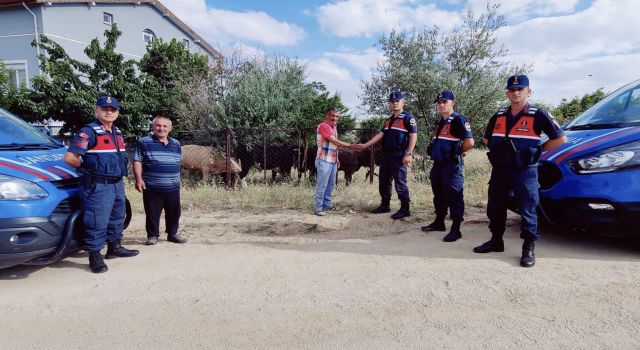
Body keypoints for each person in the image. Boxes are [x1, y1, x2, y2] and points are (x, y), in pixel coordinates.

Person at [473, 75, 566, 267]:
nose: (515, 93)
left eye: (520, 89)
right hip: (500, 170)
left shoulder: (538, 114)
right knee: (495, 207)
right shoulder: (498, 115)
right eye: (512, 90)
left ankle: (528, 247)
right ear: (507, 93)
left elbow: (560, 139)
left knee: (528, 209)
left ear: (528, 91)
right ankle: (496, 241)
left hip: (525, 171)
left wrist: (537, 150)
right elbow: (486, 139)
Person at [64, 96, 139, 273]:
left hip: (116, 184)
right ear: (96, 110)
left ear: (117, 113)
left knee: (117, 218)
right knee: (97, 221)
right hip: (98, 185)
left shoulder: (116, 132)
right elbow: (70, 158)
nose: (109, 112)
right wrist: (87, 168)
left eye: (113, 109)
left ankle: (114, 248)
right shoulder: (88, 132)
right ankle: (95, 256)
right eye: (105, 109)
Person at [421, 90, 474, 242]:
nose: (441, 105)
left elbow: (469, 142)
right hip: (438, 164)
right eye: (439, 102)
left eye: (445, 101)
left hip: (451, 165)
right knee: (439, 194)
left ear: (453, 102)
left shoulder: (458, 119)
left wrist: (459, 153)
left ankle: (456, 229)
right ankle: (439, 222)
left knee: (454, 196)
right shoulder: (441, 121)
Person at [358, 90, 418, 219]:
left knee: (400, 182)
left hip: (400, 154)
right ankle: (385, 205)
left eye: (397, 101)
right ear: (389, 104)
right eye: (392, 101)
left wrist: (409, 153)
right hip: (386, 155)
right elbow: (381, 134)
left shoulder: (408, 117)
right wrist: (365, 145)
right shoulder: (389, 120)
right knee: (384, 181)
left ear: (403, 102)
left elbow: (413, 135)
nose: (395, 103)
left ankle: (405, 208)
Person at [132, 116, 186, 245]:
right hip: (152, 186)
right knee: (152, 212)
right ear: (152, 127)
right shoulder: (144, 142)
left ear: (170, 128)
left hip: (173, 186)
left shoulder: (176, 144)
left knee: (174, 212)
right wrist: (139, 179)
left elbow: (178, 161)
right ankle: (152, 236)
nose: (161, 128)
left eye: (165, 126)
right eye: (158, 125)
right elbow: (137, 161)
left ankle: (172, 234)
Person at [313, 107, 354, 216]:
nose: (335, 118)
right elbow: (334, 141)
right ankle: (318, 208)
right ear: (327, 115)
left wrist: (337, 159)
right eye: (333, 116)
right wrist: (351, 146)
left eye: (337, 116)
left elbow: (334, 146)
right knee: (322, 184)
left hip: (332, 160)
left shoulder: (334, 127)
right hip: (324, 160)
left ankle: (327, 204)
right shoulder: (323, 126)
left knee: (331, 184)